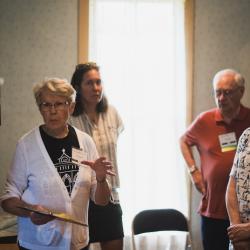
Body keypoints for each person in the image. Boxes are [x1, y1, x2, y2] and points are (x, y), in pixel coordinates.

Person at [0, 77, 113, 250]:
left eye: (59, 104)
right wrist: (30, 210)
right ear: (40, 109)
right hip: (37, 244)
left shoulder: (86, 142)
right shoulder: (26, 145)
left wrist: (100, 179)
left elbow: (101, 201)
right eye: (46, 104)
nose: (53, 111)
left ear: (71, 107)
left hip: (77, 243)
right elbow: (7, 198)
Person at [179, 69, 250, 250]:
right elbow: (183, 141)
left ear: (241, 92)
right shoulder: (206, 120)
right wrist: (193, 171)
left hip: (243, 214)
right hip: (213, 209)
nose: (221, 98)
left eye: (227, 92)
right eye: (217, 92)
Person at [69, 62, 124, 250]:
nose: (96, 88)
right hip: (82, 198)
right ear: (77, 87)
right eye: (89, 83)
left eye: (98, 82)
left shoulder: (112, 113)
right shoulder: (70, 118)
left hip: (110, 195)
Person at [226, 127, 250, 250]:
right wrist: (237, 231)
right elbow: (232, 185)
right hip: (239, 242)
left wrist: (247, 231)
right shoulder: (246, 135)